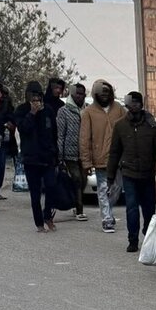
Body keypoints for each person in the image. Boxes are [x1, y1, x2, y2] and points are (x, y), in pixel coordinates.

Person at [108, 91, 156, 252]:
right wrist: (110, 176)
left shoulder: (152, 126)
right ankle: (132, 239)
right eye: (130, 103)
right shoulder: (120, 125)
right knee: (131, 208)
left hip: (148, 174)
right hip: (129, 173)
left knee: (149, 208)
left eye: (136, 103)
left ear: (141, 105)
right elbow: (114, 152)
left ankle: (148, 235)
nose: (133, 107)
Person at [80, 79, 128, 233]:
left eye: (107, 92)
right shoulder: (88, 112)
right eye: (101, 93)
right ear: (96, 94)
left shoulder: (119, 109)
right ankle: (106, 219)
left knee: (117, 188)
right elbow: (84, 138)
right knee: (102, 188)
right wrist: (86, 162)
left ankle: (108, 211)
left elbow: (128, 128)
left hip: (118, 158)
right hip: (100, 158)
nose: (105, 95)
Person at [14, 81, 60, 232]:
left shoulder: (48, 110)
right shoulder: (21, 110)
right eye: (32, 96)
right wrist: (32, 113)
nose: (36, 99)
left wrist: (56, 154)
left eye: (38, 96)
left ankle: (48, 216)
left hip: (48, 157)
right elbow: (23, 129)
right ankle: (39, 223)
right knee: (35, 194)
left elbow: (54, 133)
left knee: (52, 187)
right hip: (31, 158)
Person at [56, 83, 88, 221]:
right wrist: (60, 155)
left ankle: (76, 202)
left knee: (84, 180)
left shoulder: (86, 110)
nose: (79, 96)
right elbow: (60, 134)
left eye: (82, 94)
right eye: (77, 94)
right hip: (69, 153)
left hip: (84, 152)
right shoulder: (64, 111)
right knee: (77, 179)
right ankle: (80, 210)